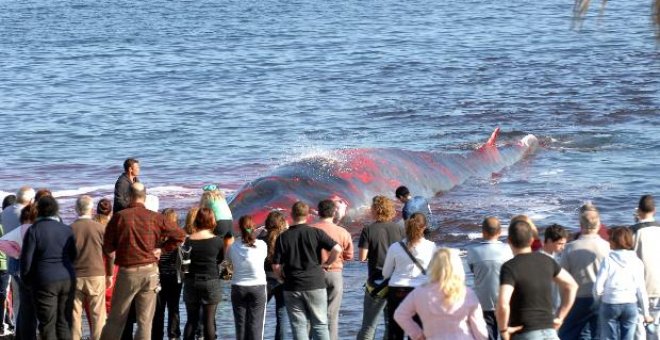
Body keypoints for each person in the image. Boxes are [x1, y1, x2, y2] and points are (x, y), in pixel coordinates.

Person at [101, 182, 185, 340]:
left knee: (116, 319)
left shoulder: (120, 217)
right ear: (144, 197)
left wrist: (122, 247)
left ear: (129, 197)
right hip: (150, 271)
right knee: (145, 322)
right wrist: (163, 249)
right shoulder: (155, 217)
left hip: (128, 272)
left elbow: (107, 246)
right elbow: (180, 235)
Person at [496, 220, 578, 340]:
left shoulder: (509, 267)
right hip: (550, 332)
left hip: (525, 332)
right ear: (531, 240)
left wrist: (503, 330)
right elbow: (572, 285)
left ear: (509, 241)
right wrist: (560, 317)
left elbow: (503, 304)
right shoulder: (547, 261)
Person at [272, 201, 342, 340]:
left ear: (291, 215)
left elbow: (276, 265)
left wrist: (281, 278)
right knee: (320, 324)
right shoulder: (316, 233)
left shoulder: (283, 237)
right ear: (308, 215)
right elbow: (337, 249)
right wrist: (327, 264)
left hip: (292, 285)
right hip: (315, 283)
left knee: (298, 326)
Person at [394, 248, 489, 340]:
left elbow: (400, 315)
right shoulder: (466, 293)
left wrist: (418, 335)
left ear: (433, 266)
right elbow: (479, 328)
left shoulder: (419, 292)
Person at [21, 195, 77, 340]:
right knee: (64, 322)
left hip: (44, 281)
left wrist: (27, 281)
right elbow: (74, 255)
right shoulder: (66, 229)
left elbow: (26, 261)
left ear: (38, 210)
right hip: (67, 278)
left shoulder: (34, 230)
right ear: (56, 210)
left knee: (47, 324)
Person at [558, 202, 610, 340]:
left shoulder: (570, 248)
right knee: (598, 334)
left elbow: (562, 279)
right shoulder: (607, 247)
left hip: (577, 298)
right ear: (598, 225)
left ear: (580, 225)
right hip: (601, 298)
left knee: (568, 334)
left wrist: (561, 303)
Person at [357, 195, 406, 340]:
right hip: (395, 281)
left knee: (369, 326)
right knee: (391, 325)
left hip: (376, 283)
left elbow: (362, 257)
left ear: (375, 210)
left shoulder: (368, 230)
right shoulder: (399, 229)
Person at [382, 212, 436, 340]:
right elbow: (435, 272)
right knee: (419, 331)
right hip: (421, 290)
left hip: (397, 290)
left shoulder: (395, 247)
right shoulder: (431, 246)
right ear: (424, 227)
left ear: (406, 227)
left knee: (395, 330)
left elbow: (386, 273)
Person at [594, 227, 653, 340]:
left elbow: (597, 287)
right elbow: (641, 289)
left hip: (610, 303)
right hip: (630, 303)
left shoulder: (608, 260)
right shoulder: (636, 261)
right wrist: (646, 313)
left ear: (613, 242)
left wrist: (599, 302)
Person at [311, 199, 354, 340]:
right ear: (334, 212)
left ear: (318, 212)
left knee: (313, 313)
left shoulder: (309, 230)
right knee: (332, 315)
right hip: (335, 274)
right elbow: (349, 256)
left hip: (313, 274)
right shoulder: (343, 232)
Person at [466, 217, 513, 340]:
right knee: (506, 334)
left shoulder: (472, 251)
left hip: (483, 301)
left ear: (483, 232)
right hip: (504, 301)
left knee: (487, 336)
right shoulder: (508, 250)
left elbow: (473, 271)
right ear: (499, 232)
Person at [181, 207, 224, 340]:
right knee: (209, 322)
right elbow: (220, 259)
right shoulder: (217, 241)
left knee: (191, 321)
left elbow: (184, 262)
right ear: (211, 220)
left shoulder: (189, 241)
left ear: (197, 221)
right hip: (210, 281)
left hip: (191, 282)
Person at [71, 195, 107, 340]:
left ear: (76, 209)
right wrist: (110, 274)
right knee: (98, 315)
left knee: (74, 315)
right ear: (91, 210)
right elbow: (109, 254)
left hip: (75, 275)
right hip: (96, 274)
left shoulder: (69, 228)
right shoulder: (100, 228)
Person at [228, 215, 268, 340]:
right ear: (253, 227)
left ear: (240, 229)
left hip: (238, 287)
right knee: (256, 326)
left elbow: (228, 260)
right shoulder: (261, 245)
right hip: (258, 286)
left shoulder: (233, 246)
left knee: (240, 325)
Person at [631, 194, 660, 340]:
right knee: (657, 324)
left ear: (639, 212)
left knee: (639, 324)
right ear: (654, 210)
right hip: (658, 284)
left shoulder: (634, 231)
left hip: (641, 285)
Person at [152, 208, 183, 340]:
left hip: (159, 278)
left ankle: (156, 335)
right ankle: (174, 335)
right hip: (175, 277)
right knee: (173, 307)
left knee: (158, 310)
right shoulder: (178, 239)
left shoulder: (157, 239)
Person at [258, 210, 289, 340]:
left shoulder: (261, 240)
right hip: (283, 280)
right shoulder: (286, 240)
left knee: (259, 315)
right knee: (281, 314)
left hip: (264, 280)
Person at [539, 224, 569, 313]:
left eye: (564, 244)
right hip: (545, 308)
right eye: (560, 244)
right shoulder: (540, 259)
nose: (563, 247)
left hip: (556, 306)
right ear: (549, 241)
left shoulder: (557, 256)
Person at [200, 184, 234, 251]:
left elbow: (202, 211)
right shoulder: (221, 198)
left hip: (220, 222)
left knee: (214, 243)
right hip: (230, 222)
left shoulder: (208, 197)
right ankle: (227, 258)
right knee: (228, 243)